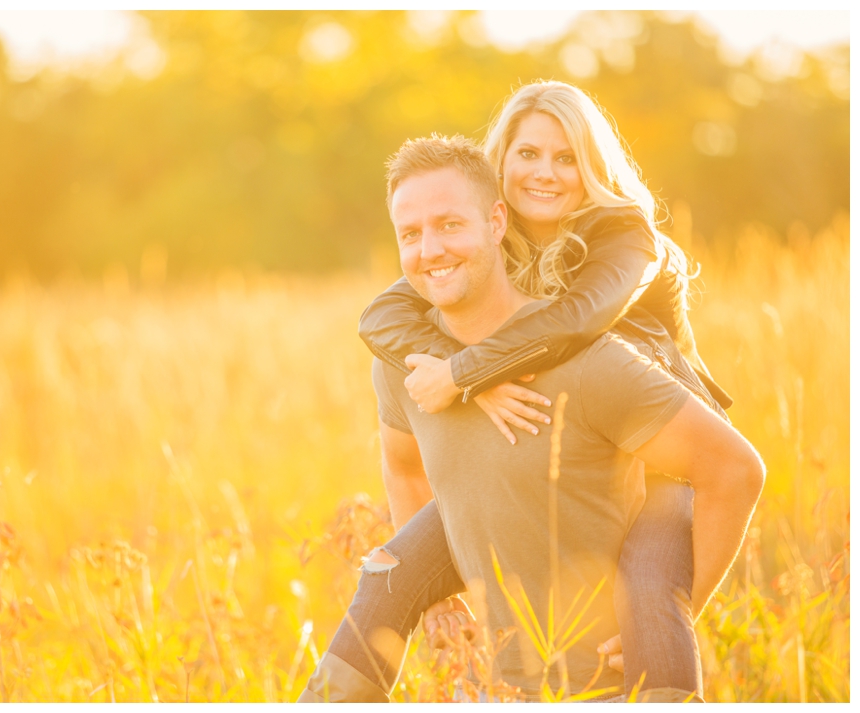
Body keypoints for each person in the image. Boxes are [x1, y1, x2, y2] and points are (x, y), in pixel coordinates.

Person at [304, 81, 738, 701]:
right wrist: (466, 376)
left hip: (664, 453)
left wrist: (462, 375)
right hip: (552, 449)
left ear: (593, 166)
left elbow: (576, 321)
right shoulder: (480, 239)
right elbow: (383, 315)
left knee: (649, 600)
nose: (546, 173)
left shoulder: (627, 236)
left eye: (567, 158)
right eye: (529, 154)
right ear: (501, 162)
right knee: (387, 575)